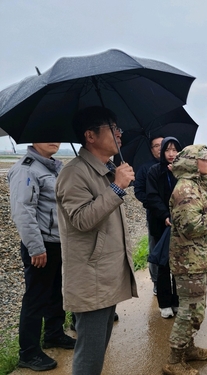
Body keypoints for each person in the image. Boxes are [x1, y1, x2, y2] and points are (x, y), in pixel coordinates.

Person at [55, 106, 138, 375]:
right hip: (91, 277)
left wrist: (116, 181)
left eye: (118, 128)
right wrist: (117, 187)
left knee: (99, 347)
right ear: (90, 135)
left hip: (106, 272)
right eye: (112, 129)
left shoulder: (106, 169)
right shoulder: (74, 173)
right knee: (89, 356)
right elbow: (82, 220)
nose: (119, 133)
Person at [162, 145, 207, 375]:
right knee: (190, 311)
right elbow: (191, 227)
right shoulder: (186, 189)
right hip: (188, 261)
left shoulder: (194, 186)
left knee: (195, 309)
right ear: (193, 163)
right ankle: (174, 361)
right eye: (205, 159)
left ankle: (188, 349)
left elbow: (196, 217)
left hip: (196, 260)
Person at [8, 143, 76, 371]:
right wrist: (35, 247)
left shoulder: (53, 167)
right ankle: (28, 352)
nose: (53, 140)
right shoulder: (27, 169)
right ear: (33, 139)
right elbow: (22, 211)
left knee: (56, 290)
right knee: (36, 297)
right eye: (46, 135)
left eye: (56, 135)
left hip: (57, 242)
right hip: (41, 244)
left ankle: (54, 334)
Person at [146, 137, 181, 319]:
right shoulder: (154, 171)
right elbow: (152, 197)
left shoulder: (182, 172)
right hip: (161, 223)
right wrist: (165, 215)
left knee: (177, 263)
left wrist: (177, 174)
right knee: (163, 263)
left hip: (179, 224)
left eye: (175, 150)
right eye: (167, 150)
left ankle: (176, 300)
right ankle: (164, 303)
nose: (171, 154)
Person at [134, 135, 164, 295]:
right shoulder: (145, 168)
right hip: (154, 216)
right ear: (151, 150)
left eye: (163, 144)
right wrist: (152, 203)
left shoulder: (177, 166)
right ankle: (157, 282)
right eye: (156, 146)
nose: (161, 148)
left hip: (175, 216)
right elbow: (138, 190)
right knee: (156, 249)